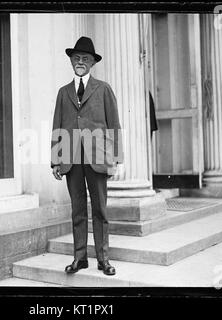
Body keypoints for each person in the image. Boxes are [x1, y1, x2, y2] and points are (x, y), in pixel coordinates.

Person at [50, 36, 123, 276]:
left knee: (100, 209)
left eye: (85, 59)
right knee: (77, 209)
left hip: (98, 157)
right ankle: (79, 258)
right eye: (77, 58)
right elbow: (58, 128)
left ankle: (103, 259)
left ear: (92, 63)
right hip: (71, 159)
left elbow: (114, 125)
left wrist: (117, 159)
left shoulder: (103, 89)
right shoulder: (63, 92)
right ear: (71, 61)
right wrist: (55, 161)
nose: (80, 62)